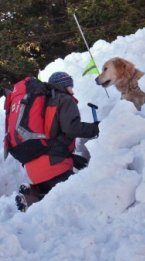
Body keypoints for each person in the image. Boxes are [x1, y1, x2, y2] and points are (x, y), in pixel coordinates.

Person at [15, 72, 100, 212]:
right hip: (54, 165)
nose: (72, 90)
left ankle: (33, 192)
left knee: (78, 167)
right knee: (75, 196)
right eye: (70, 86)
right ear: (64, 85)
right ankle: (37, 197)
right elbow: (71, 128)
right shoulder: (64, 99)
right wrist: (96, 128)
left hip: (33, 166)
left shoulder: (44, 102)